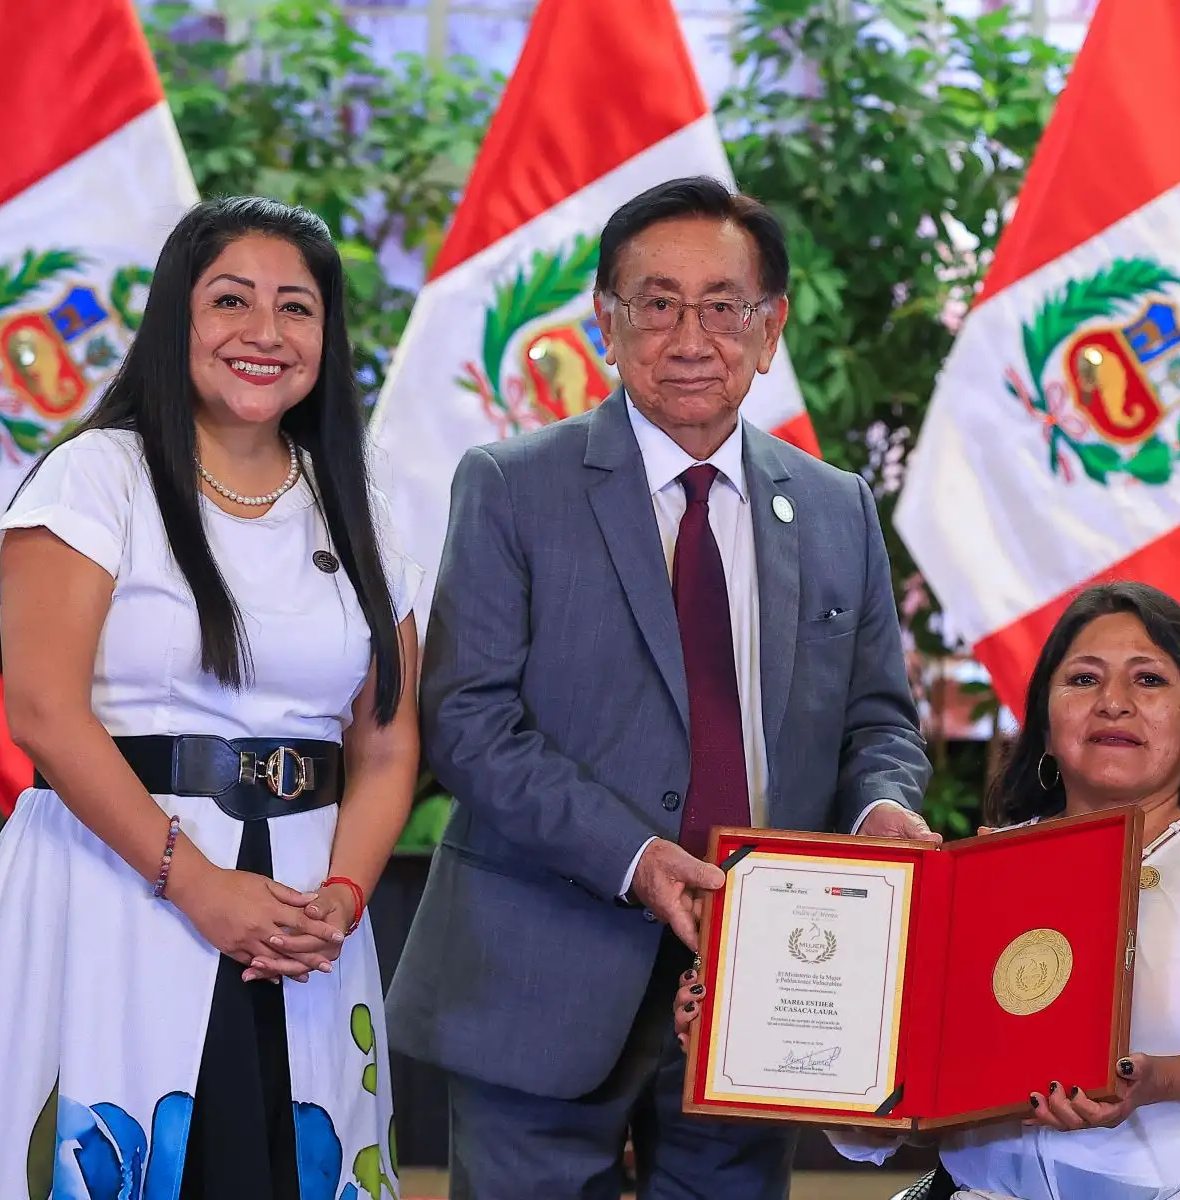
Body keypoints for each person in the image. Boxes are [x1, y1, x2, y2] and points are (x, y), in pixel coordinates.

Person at [385, 175, 934, 1200]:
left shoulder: (835, 507)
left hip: (763, 982)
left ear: (770, 328)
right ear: (606, 321)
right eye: (658, 303)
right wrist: (634, 858)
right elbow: (468, 721)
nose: (691, 338)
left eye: (724, 306)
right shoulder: (512, 487)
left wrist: (882, 808)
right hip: (540, 971)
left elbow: (876, 721)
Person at [0, 197, 422, 1199]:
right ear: (178, 317)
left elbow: (386, 745)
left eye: (297, 308)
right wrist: (198, 884)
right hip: (117, 884)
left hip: (304, 916)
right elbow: (43, 713)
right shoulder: (95, 477)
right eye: (231, 300)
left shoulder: (361, 503)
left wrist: (341, 899)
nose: (265, 332)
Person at [677, 582, 1180, 1200]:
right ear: (1046, 727)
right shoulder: (977, 872)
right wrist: (744, 1026)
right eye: (1083, 679)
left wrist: (1157, 1081)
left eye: (1149, 679)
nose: (1113, 702)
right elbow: (905, 1106)